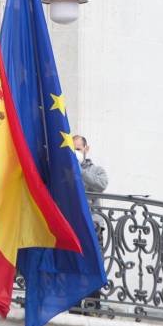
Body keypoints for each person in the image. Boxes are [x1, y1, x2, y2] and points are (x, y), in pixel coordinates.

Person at [73, 134, 107, 314]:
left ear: (86, 149)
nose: (76, 153)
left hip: (92, 224)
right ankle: (75, 303)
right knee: (75, 262)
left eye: (78, 149)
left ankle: (94, 304)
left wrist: (80, 170)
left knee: (94, 262)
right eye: (73, 150)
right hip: (73, 223)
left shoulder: (96, 170)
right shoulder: (66, 170)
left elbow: (102, 184)